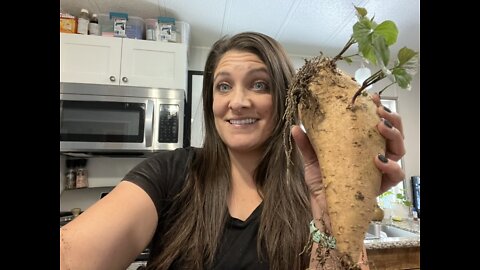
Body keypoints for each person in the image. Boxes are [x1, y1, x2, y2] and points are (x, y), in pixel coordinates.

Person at [60, 32, 406, 270]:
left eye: (259, 84)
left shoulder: (312, 192)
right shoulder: (169, 173)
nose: (238, 102)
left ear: (286, 99)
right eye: (223, 86)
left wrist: (337, 216)